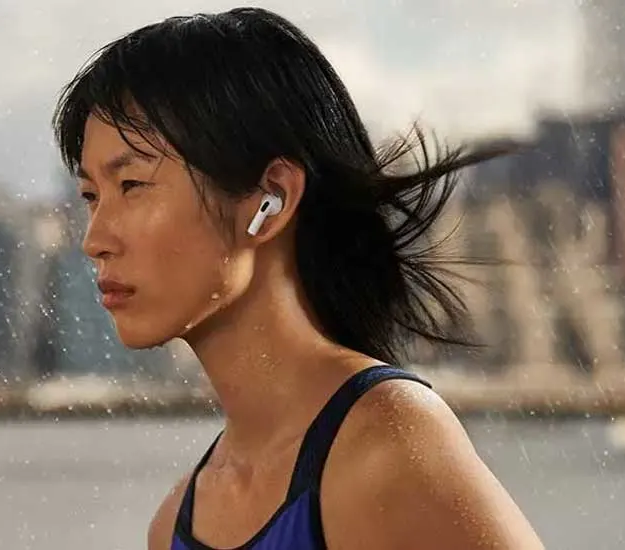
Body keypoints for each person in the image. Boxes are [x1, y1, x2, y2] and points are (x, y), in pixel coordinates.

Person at [52, 7, 543, 549]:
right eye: (91, 196)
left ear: (272, 199)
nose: (95, 239)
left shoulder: (388, 446)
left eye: (132, 186)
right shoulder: (173, 525)